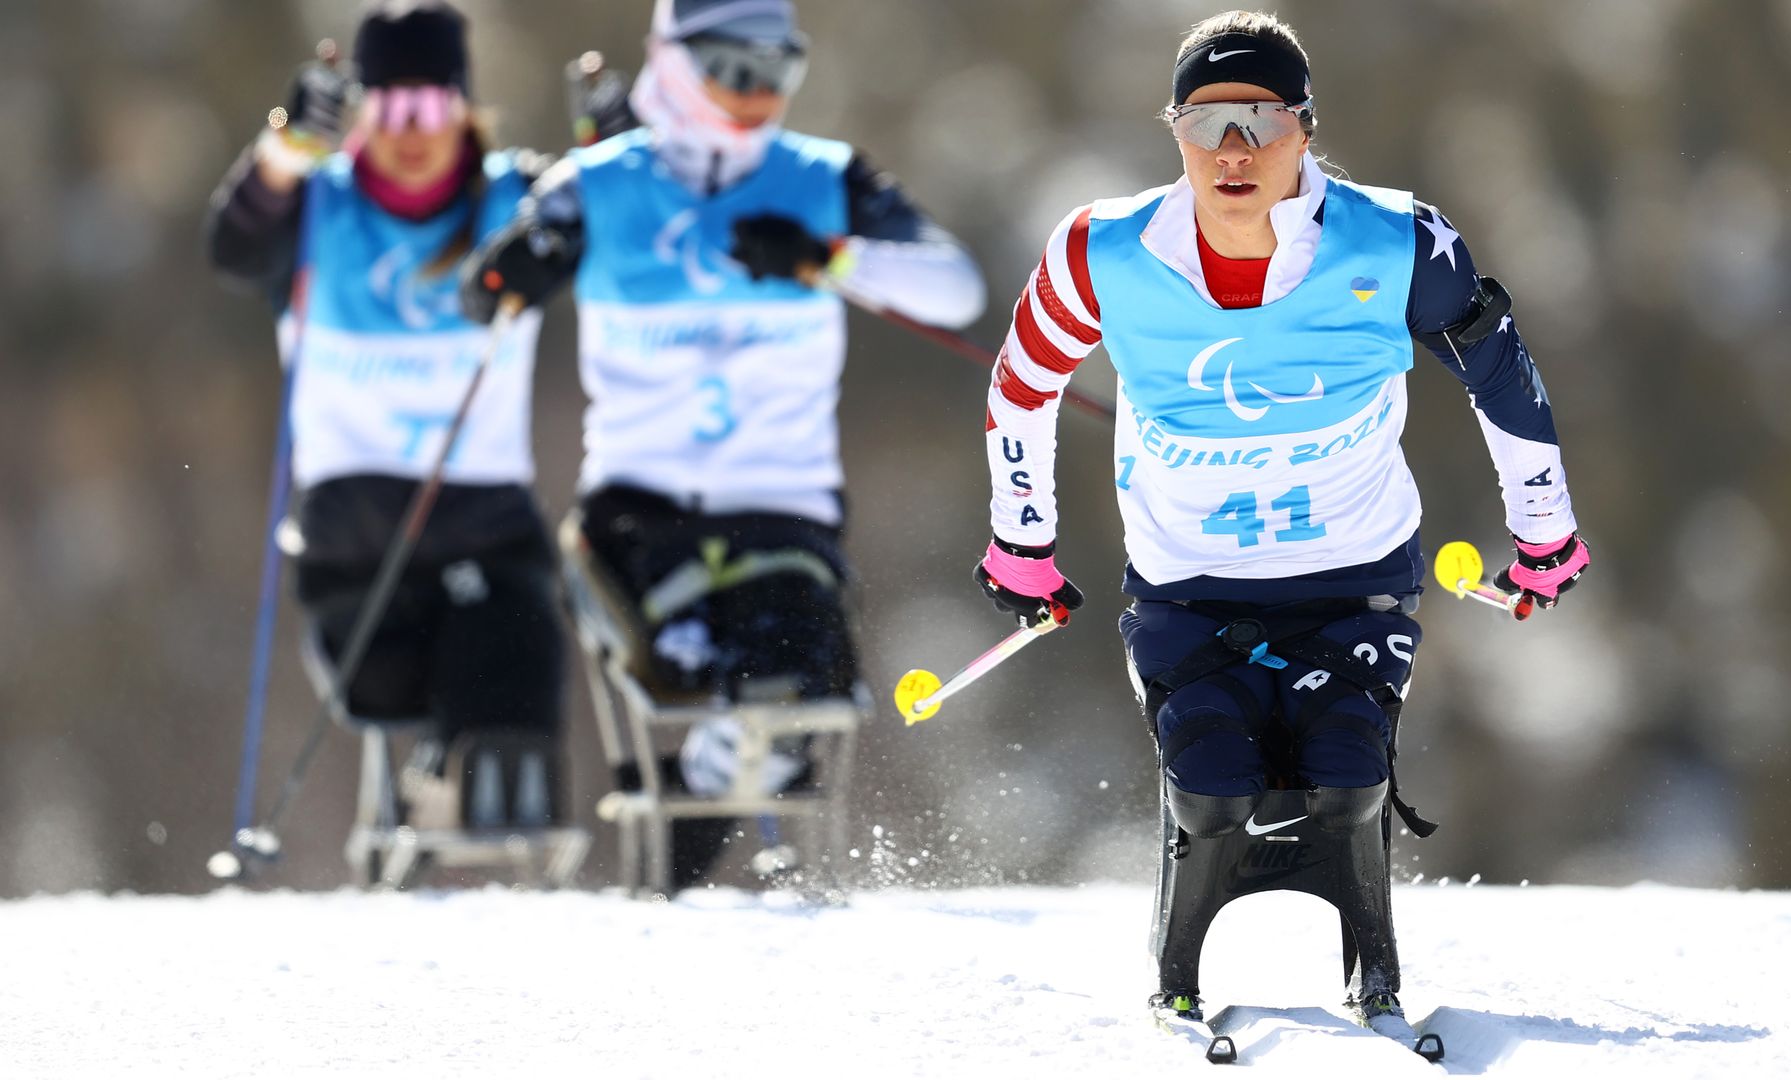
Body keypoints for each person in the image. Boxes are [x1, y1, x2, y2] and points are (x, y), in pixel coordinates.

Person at [971, 10, 1590, 1033]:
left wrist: (1546, 534)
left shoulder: (1396, 240)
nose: (1234, 150)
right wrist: (1020, 544)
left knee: (1347, 769)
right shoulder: (1102, 251)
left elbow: (1501, 371)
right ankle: (1177, 959)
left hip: (1355, 584)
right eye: (1207, 122)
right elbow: (1022, 384)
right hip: (1186, 590)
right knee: (1212, 782)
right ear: (1173, 131)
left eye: (1260, 119)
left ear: (1306, 126)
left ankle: (1371, 959)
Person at [461, 0, 986, 885]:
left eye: (777, 72)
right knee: (683, 665)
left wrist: (833, 258)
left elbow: (956, 289)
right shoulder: (598, 181)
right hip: (638, 509)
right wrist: (517, 268)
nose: (755, 95)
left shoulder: (823, 178)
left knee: (796, 684)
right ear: (669, 61)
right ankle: (678, 846)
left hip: (781, 509)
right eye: (731, 69)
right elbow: (485, 293)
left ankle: (688, 834)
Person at [207, 0, 569, 833]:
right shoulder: (314, 201)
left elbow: (616, 216)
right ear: (362, 110)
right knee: (380, 687)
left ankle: (489, 820)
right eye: (392, 106)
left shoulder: (519, 195)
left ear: (464, 107)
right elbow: (233, 246)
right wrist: (281, 153)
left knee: (515, 667)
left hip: (483, 509)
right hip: (355, 518)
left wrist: (618, 147)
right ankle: (429, 778)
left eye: (433, 105)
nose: (413, 130)